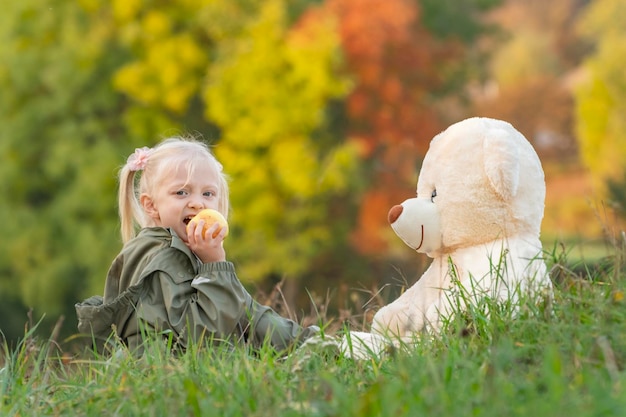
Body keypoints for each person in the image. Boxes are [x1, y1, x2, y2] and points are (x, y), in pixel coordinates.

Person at [75, 136, 319, 355]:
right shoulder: (163, 258)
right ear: (151, 205)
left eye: (208, 194)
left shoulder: (187, 250)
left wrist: (311, 342)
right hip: (168, 375)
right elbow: (201, 338)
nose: (198, 204)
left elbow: (246, 314)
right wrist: (214, 267)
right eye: (181, 193)